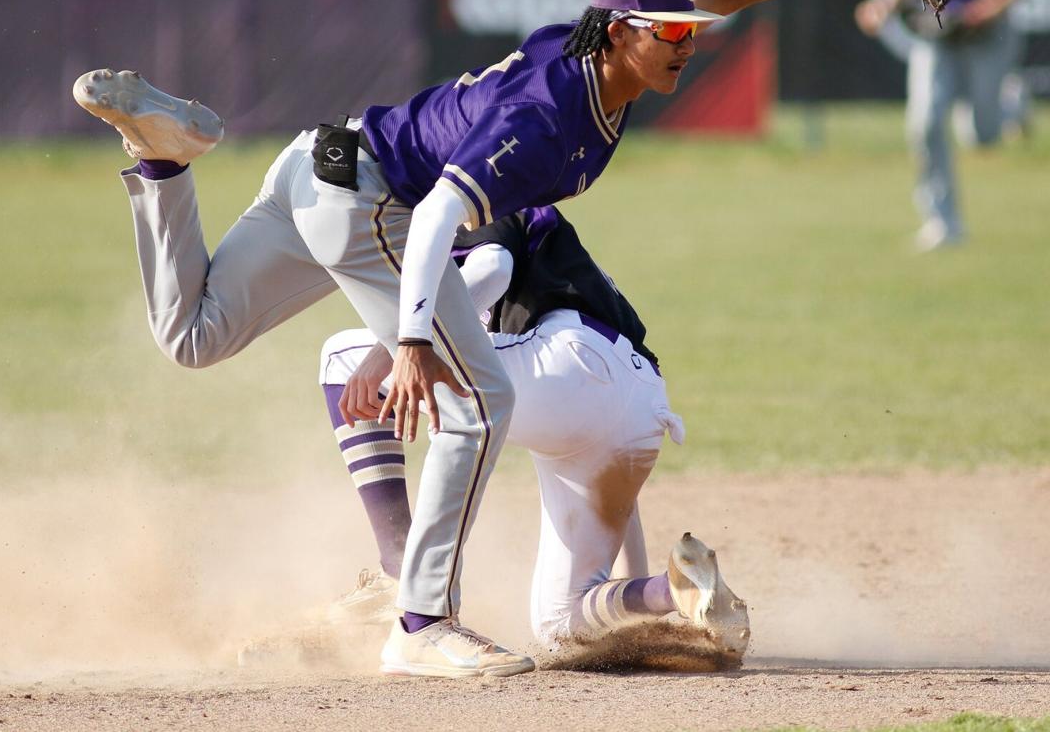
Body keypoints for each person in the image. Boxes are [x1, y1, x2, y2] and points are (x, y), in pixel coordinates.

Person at [75, 0, 897, 678]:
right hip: (373, 200)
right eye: (668, 30)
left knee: (194, 334)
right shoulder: (546, 116)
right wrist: (408, 340)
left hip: (316, 168)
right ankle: (423, 621)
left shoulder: (603, 58)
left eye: (688, 29)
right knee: (480, 398)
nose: (687, 42)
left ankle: (163, 162)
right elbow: (437, 216)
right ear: (618, 30)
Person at [316, 206, 749, 673]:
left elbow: (492, 268)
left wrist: (397, 348)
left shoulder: (479, 193)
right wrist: (635, 576)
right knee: (561, 628)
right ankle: (676, 589)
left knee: (342, 358)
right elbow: (615, 484)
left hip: (571, 360)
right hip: (637, 407)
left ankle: (399, 568)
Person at [854, 0, 1050, 251]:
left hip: (986, 31)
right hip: (935, 32)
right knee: (923, 122)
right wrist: (880, 6)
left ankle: (1009, 103)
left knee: (982, 136)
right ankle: (942, 223)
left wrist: (994, 3)